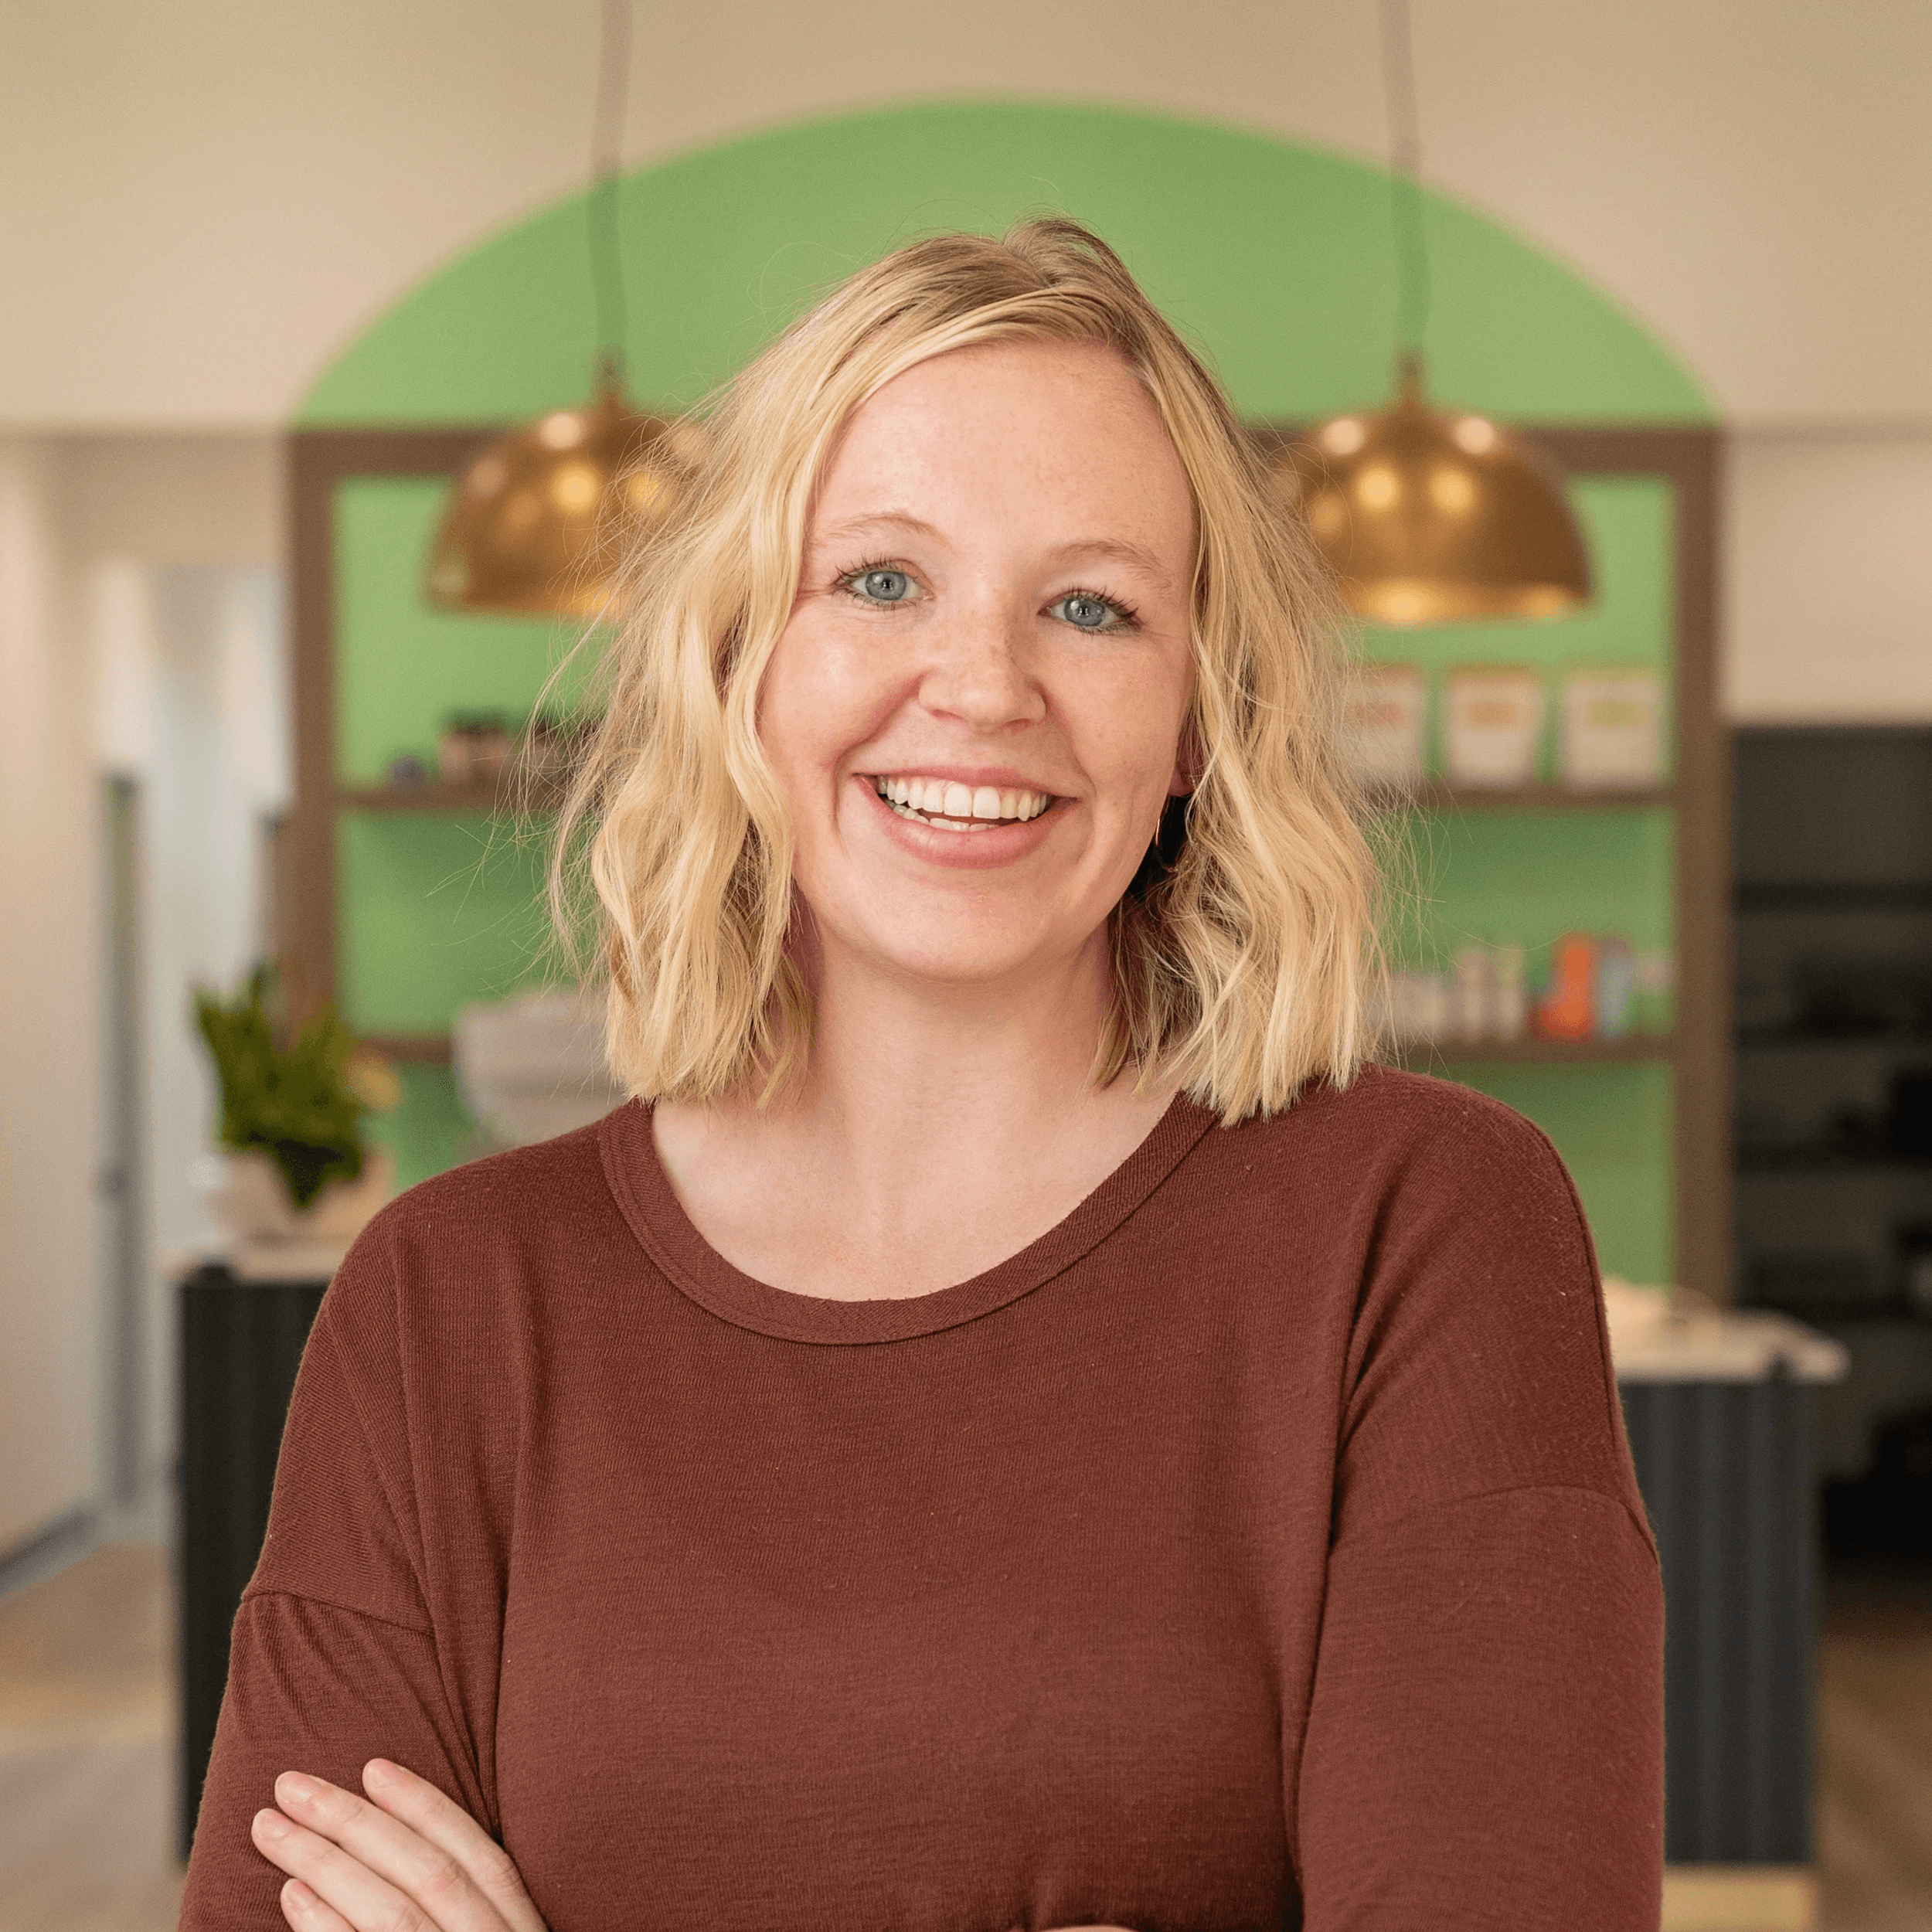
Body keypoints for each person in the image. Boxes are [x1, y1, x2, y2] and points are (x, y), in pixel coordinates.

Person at [180, 219, 1665, 1932]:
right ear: (741, 663)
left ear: (1192, 717)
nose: (978, 687)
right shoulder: (447, 1302)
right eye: (879, 580)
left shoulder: (1419, 1232)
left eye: (1091, 606)